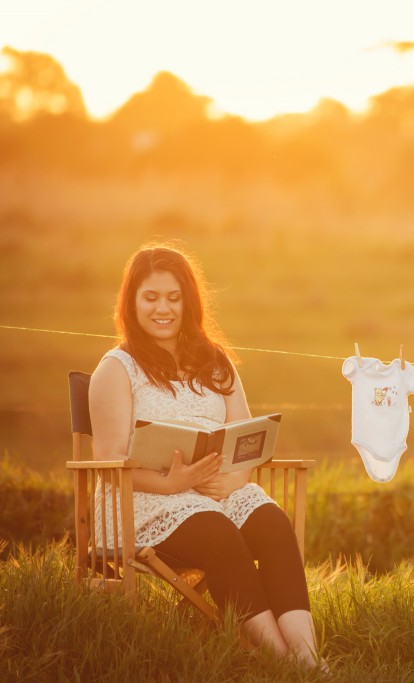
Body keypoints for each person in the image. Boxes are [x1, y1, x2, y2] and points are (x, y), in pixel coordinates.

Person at [89, 243, 322, 667]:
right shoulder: (117, 368)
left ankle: (308, 657)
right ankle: (281, 659)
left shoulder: (216, 363)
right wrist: (171, 484)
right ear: (132, 302)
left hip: (215, 492)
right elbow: (108, 462)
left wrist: (235, 479)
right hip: (139, 501)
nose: (164, 308)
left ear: (189, 302)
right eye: (151, 297)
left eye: (174, 297)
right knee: (217, 530)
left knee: (271, 522)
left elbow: (249, 438)